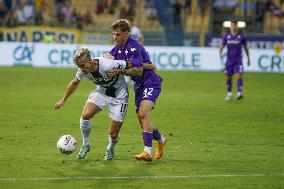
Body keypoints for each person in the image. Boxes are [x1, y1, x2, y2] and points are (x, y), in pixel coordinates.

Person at [106, 19, 167, 162]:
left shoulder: (134, 46)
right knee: (142, 120)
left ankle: (147, 151)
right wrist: (106, 58)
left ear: (126, 33)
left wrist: (120, 70)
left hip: (150, 82)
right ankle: (161, 139)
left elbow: (138, 71)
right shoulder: (117, 48)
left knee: (143, 113)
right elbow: (108, 58)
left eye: (118, 34)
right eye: (114, 34)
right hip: (139, 86)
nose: (115, 37)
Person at [54, 47, 129, 160]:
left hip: (119, 96)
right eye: (79, 67)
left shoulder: (108, 65)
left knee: (113, 134)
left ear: (90, 60)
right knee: (85, 115)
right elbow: (75, 82)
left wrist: (120, 71)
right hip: (102, 91)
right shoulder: (83, 69)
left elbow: (129, 64)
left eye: (83, 66)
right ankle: (86, 144)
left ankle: (110, 148)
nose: (81, 69)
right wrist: (63, 100)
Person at [219, 20, 250, 101]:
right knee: (228, 77)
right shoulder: (227, 36)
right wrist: (220, 53)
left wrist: (248, 58)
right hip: (229, 61)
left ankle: (239, 93)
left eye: (235, 25)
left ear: (237, 26)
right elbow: (222, 46)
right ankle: (229, 94)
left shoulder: (241, 36)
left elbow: (246, 48)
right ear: (230, 27)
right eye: (232, 25)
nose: (233, 27)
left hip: (238, 60)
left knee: (239, 75)